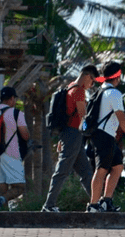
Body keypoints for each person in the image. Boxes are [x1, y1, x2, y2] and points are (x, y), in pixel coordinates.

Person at [41, 65, 97, 212]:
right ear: (87, 76)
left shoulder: (70, 87)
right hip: (73, 134)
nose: (92, 85)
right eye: (92, 81)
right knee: (62, 171)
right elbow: (83, 115)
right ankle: (49, 205)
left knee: (86, 173)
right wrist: (91, 132)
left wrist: (63, 138)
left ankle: (96, 204)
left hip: (69, 134)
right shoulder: (78, 91)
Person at [86, 62, 125, 212]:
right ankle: (93, 205)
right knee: (102, 169)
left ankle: (106, 201)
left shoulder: (100, 91)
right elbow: (121, 117)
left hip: (102, 135)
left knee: (117, 166)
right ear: (117, 77)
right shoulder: (114, 93)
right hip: (105, 135)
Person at [0, 86, 30, 208]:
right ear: (11, 99)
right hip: (11, 154)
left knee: (2, 188)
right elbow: (25, 135)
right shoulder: (16, 113)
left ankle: (2, 215)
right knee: (20, 186)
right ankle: (1, 200)